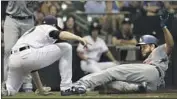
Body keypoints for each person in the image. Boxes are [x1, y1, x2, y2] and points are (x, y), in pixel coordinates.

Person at [74, 14, 174, 93]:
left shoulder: (159, 50)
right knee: (110, 83)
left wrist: (164, 27)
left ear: (153, 45)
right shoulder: (149, 59)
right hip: (151, 85)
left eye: (144, 46)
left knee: (113, 71)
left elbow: (170, 44)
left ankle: (81, 83)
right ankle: (137, 88)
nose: (142, 49)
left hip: (153, 70)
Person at [1, 15, 88, 96]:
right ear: (54, 25)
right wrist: (79, 38)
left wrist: (41, 89)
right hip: (28, 54)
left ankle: (5, 90)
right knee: (67, 47)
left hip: (13, 59)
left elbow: (32, 67)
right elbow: (61, 35)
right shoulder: (48, 28)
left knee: (11, 90)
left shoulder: (32, 31)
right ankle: (66, 87)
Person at [3, 1, 43, 93]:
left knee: (27, 51)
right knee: (8, 50)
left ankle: (27, 83)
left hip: (28, 19)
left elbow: (40, 3)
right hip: (11, 18)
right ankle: (6, 83)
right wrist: (2, 18)